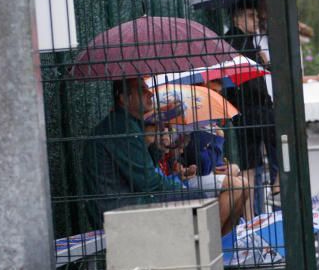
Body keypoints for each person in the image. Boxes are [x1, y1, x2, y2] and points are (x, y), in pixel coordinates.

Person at [85, 77, 246, 236]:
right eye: (142, 90)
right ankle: (200, 251)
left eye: (148, 89)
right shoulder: (123, 128)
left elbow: (147, 171)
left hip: (123, 203)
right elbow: (150, 182)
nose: (150, 93)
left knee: (208, 194)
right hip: (118, 210)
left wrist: (158, 144)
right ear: (124, 98)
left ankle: (207, 248)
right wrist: (181, 188)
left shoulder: (127, 124)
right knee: (199, 197)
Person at [223, 0, 274, 218]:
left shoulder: (248, 42)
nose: (256, 20)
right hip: (247, 113)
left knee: (253, 170)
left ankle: (254, 215)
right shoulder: (237, 42)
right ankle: (251, 218)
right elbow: (248, 82)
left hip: (252, 111)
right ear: (237, 18)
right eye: (251, 16)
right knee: (249, 171)